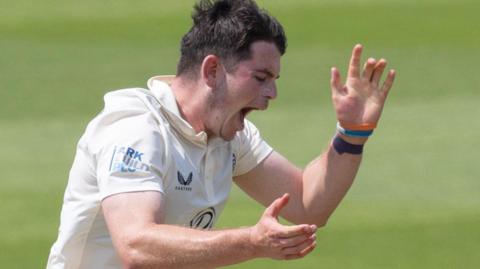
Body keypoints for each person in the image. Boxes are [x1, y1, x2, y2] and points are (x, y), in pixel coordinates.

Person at [47, 0, 395, 268]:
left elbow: (308, 203)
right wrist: (252, 242)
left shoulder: (229, 136)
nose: (272, 94)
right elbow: (135, 245)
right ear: (212, 69)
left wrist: (352, 133)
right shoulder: (137, 128)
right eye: (261, 78)